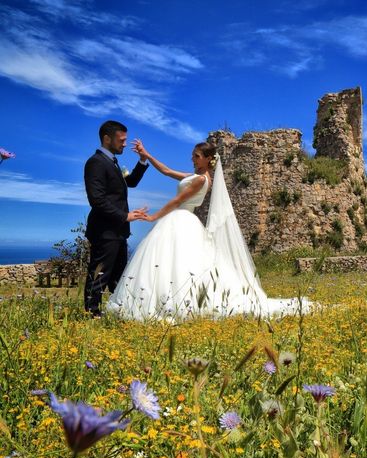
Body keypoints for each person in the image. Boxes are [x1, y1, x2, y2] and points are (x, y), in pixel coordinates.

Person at [106, 139, 306, 321]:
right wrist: (146, 154)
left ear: (209, 159)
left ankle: (178, 303)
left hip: (182, 219)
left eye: (197, 156)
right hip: (181, 220)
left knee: (179, 263)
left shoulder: (201, 180)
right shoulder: (195, 176)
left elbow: (178, 201)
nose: (192, 158)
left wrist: (153, 217)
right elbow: (167, 171)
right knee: (172, 261)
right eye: (193, 155)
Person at [83, 120, 149, 317]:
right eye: (121, 140)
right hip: (104, 230)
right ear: (106, 138)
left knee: (118, 276)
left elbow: (131, 183)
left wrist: (143, 160)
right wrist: (125, 215)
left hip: (118, 231)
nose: (124, 144)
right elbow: (97, 199)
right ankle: (91, 314)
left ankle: (119, 311)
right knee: (99, 274)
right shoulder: (95, 163)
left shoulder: (112, 162)